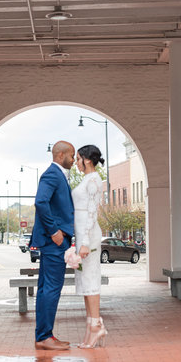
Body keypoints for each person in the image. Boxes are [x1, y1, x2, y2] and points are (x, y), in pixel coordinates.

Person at [30, 140, 75, 350]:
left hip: (54, 242)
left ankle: (43, 335)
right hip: (53, 241)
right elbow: (40, 202)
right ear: (60, 155)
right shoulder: (52, 174)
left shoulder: (58, 175)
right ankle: (45, 336)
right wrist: (54, 230)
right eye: (72, 156)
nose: (73, 160)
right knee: (51, 289)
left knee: (45, 289)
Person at [72, 144, 108, 348]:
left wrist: (84, 242)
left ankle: (96, 326)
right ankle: (92, 326)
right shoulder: (86, 179)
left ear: (86, 159)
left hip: (89, 237)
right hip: (81, 236)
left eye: (78, 159)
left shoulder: (94, 180)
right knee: (85, 282)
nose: (76, 163)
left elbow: (92, 213)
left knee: (91, 279)